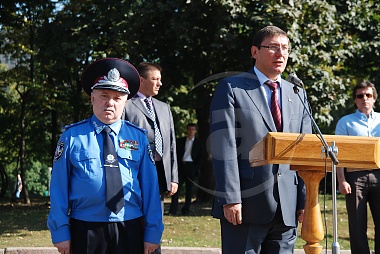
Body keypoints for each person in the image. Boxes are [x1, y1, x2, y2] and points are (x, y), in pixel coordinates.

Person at [209, 25, 312, 254]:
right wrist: (231, 198)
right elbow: (223, 146)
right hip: (245, 205)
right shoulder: (231, 88)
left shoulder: (297, 93)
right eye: (273, 47)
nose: (281, 53)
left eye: (285, 48)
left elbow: (305, 152)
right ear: (254, 51)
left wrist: (304, 199)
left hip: (287, 207)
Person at [47, 58, 163, 254]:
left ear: (125, 102)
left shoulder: (138, 138)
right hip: (85, 227)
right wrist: (60, 232)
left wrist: (153, 232)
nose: (110, 102)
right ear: (92, 98)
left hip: (130, 224)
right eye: (104, 95)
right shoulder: (72, 137)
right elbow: (58, 188)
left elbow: (151, 188)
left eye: (117, 98)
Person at [123, 62, 178, 208]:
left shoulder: (164, 107)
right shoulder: (125, 104)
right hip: (135, 171)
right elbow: (119, 140)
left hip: (160, 171)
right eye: (155, 79)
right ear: (141, 80)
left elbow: (171, 144)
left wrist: (174, 178)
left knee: (155, 217)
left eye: (160, 79)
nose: (160, 83)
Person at [335, 80, 380, 254]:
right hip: (355, 178)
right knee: (356, 224)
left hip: (379, 175)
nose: (364, 99)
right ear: (355, 100)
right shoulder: (345, 122)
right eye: (360, 96)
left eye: (368, 95)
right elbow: (338, 155)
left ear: (374, 98)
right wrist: (341, 180)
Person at [169, 123, 204, 215]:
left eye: (193, 129)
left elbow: (201, 156)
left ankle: (186, 210)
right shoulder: (181, 141)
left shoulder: (198, 143)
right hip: (181, 166)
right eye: (189, 129)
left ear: (195, 131)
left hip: (191, 167)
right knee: (176, 188)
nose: (191, 131)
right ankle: (173, 210)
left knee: (189, 190)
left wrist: (196, 167)